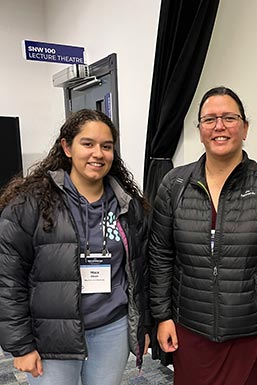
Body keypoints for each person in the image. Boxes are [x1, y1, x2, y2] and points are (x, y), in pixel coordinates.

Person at [149, 86, 257, 385]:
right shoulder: (175, 184)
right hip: (190, 328)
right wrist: (162, 317)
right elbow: (161, 256)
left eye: (229, 118)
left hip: (252, 329)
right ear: (200, 130)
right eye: (209, 119)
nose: (219, 126)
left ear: (245, 127)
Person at [0, 109, 151, 385]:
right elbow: (7, 278)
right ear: (67, 147)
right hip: (50, 335)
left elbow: (141, 271)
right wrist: (20, 345)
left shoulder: (127, 205)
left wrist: (143, 326)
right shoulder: (30, 203)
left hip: (111, 330)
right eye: (88, 144)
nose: (98, 153)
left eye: (106, 146)